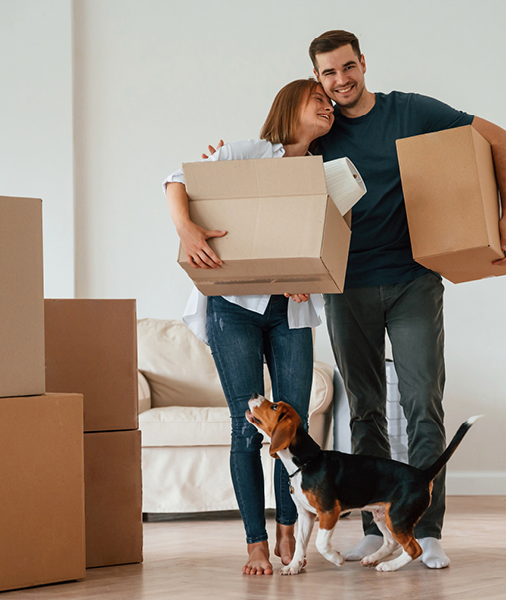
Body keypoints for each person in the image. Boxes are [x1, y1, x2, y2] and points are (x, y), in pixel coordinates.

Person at [308, 29, 506, 569]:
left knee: (423, 405)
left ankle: (425, 531)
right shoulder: (317, 131)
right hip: (347, 286)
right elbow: (269, 171)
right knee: (364, 411)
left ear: (363, 63)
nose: (341, 80)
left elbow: (501, 139)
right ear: (318, 78)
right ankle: (374, 530)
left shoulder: (410, 111)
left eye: (347, 67)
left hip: (413, 281)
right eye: (329, 73)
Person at [163, 78, 334, 576]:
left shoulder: (323, 173)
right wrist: (187, 229)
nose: (327, 106)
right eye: (316, 99)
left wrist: (310, 277)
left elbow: (327, 240)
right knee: (247, 427)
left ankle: (288, 529)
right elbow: (176, 179)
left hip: (291, 312)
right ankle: (255, 542)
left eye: (329, 102)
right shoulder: (243, 153)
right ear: (289, 107)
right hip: (233, 305)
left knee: (293, 425)